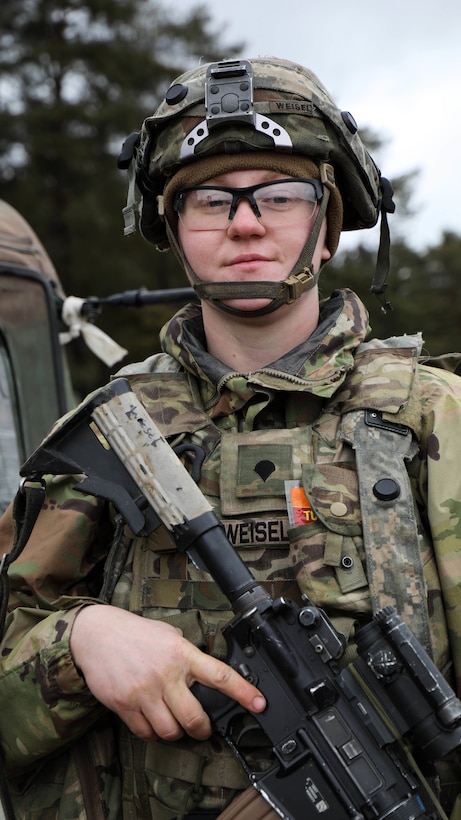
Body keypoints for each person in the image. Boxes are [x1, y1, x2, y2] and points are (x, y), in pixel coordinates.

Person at [0, 55, 460, 820]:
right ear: (174, 231)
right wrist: (81, 643)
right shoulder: (107, 435)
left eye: (278, 196)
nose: (244, 222)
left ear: (326, 228)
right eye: (211, 199)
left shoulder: (433, 419)